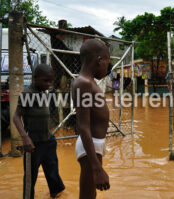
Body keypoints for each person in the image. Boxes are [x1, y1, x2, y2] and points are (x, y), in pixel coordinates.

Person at [13, 64, 65, 199]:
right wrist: (24, 138)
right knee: (31, 175)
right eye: (45, 80)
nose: (49, 84)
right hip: (33, 143)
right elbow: (16, 116)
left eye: (51, 81)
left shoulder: (42, 91)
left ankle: (56, 193)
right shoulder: (27, 93)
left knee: (52, 169)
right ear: (35, 78)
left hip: (48, 139)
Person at [71, 39, 110, 199]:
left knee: (91, 194)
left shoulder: (88, 82)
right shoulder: (84, 83)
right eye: (108, 61)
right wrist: (97, 168)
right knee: (87, 196)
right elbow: (83, 126)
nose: (108, 67)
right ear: (99, 60)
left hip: (94, 145)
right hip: (90, 147)